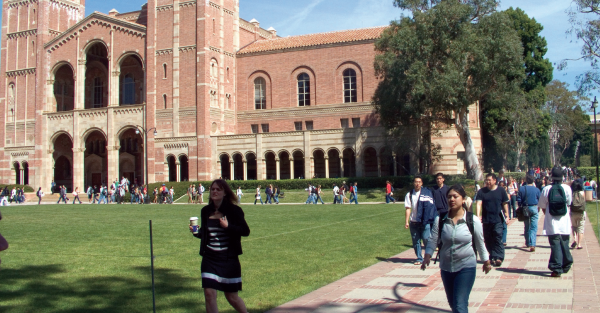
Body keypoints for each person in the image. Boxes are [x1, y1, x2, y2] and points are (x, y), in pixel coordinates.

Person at [422, 185, 491, 313]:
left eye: (455, 196)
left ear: (463, 199)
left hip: (466, 267)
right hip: (446, 268)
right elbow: (433, 239)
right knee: (453, 304)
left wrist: (486, 260)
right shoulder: (441, 219)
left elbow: (480, 242)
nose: (452, 199)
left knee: (460, 304)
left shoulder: (472, 220)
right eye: (449, 197)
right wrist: (427, 255)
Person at [190, 179, 250, 313]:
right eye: (213, 189)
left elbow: (245, 231)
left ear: (225, 193)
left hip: (228, 259)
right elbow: (206, 235)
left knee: (232, 297)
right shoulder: (206, 211)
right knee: (209, 294)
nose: (215, 191)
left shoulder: (234, 211)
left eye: (218, 189)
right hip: (210, 258)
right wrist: (196, 232)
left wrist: (228, 226)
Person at [538, 167, 573, 277]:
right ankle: (566, 263)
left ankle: (557, 268)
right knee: (564, 243)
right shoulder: (567, 188)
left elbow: (542, 206)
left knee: (555, 244)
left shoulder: (546, 189)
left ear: (551, 177)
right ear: (562, 176)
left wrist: (547, 213)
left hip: (552, 222)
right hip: (564, 221)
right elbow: (569, 202)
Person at [476, 173, 509, 267]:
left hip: (498, 219)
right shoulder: (482, 191)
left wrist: (507, 215)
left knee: (497, 236)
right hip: (486, 220)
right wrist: (478, 215)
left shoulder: (501, 190)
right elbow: (478, 203)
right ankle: (493, 256)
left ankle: (499, 257)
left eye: (490, 180)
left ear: (495, 180)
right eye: (487, 180)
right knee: (488, 239)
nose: (488, 182)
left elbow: (505, 203)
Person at [404, 175, 438, 265]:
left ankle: (427, 255)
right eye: (416, 182)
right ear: (413, 183)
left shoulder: (427, 193)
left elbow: (431, 207)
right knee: (416, 241)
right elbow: (408, 208)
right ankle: (419, 258)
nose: (417, 184)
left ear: (422, 183)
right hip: (414, 222)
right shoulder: (409, 194)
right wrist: (407, 221)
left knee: (426, 238)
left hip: (424, 221)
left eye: (419, 182)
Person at [517, 175, 541, 252]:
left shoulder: (522, 189)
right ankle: (532, 244)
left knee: (527, 226)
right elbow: (539, 199)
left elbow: (519, 200)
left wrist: (520, 206)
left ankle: (527, 242)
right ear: (533, 181)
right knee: (534, 227)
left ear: (526, 180)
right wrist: (539, 208)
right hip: (534, 207)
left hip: (525, 208)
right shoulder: (536, 189)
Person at [570, 181, 586, 250]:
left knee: (574, 226)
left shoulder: (572, 193)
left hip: (573, 212)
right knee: (580, 227)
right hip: (581, 212)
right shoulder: (582, 193)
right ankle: (579, 244)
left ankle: (575, 239)